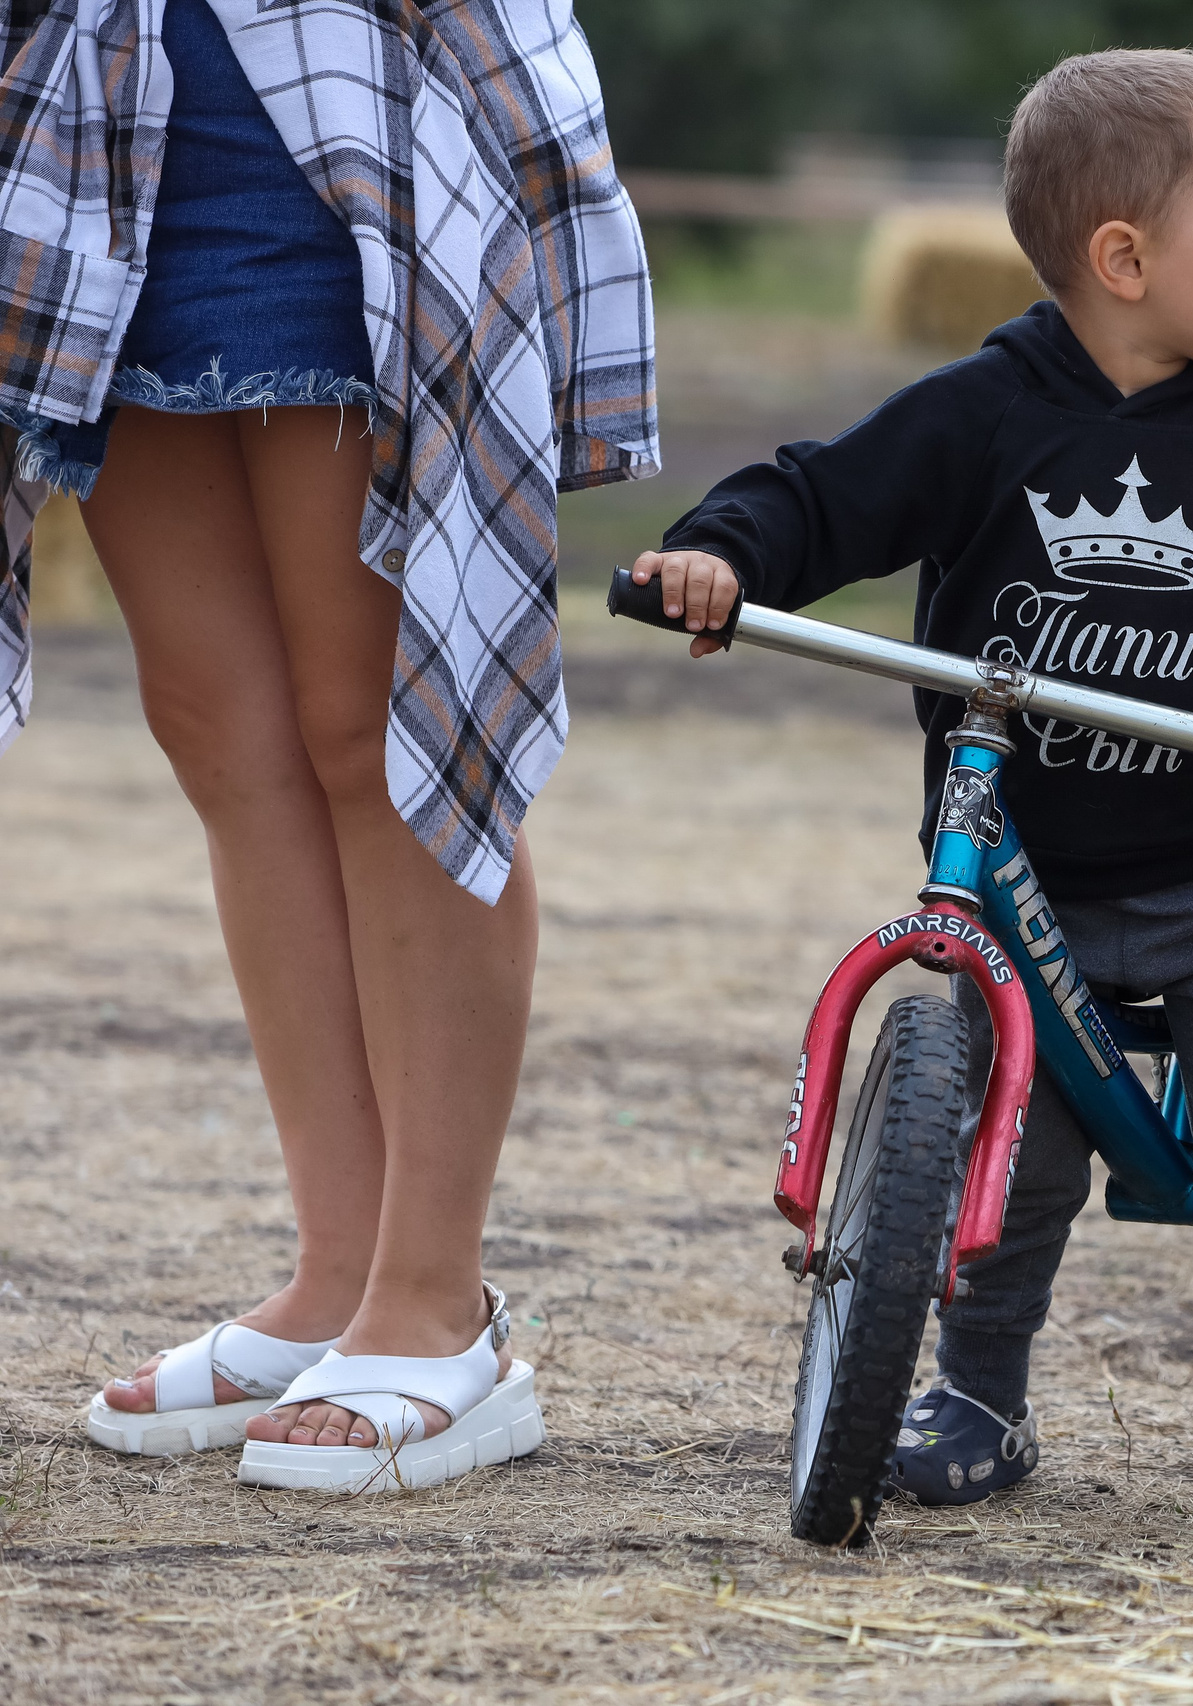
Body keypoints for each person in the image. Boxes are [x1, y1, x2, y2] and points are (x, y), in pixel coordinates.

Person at [632, 49, 1193, 1534]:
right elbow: (825, 493)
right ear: (1125, 259)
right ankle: (978, 1397)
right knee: (1006, 1152)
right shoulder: (985, 413)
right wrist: (725, 555)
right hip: (1030, 877)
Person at [7, 0, 658, 1489]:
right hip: (97, 140)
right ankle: (336, 1273)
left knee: (379, 727)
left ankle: (436, 1302)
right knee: (219, 737)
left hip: (350, 144)